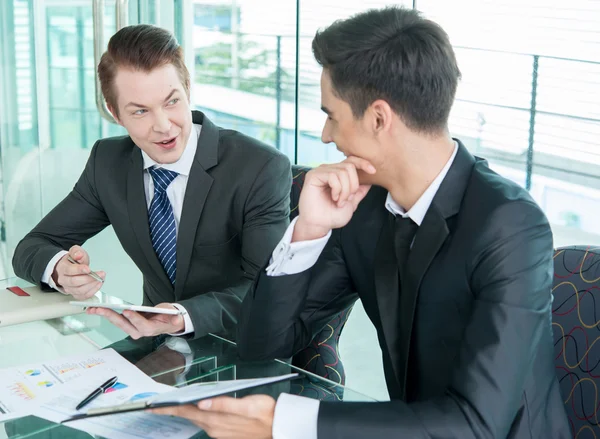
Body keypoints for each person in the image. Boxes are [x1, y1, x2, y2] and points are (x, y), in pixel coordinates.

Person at [150, 6, 571, 439]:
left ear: (378, 118)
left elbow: (477, 424)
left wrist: (288, 423)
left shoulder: (510, 224)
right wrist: (307, 232)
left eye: (331, 115)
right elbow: (262, 348)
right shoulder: (364, 209)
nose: (325, 136)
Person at [12, 24, 291, 340]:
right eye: (141, 111)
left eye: (172, 102)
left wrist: (183, 317)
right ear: (115, 114)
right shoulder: (108, 163)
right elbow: (30, 247)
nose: (163, 126)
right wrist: (60, 269)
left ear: (187, 89)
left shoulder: (258, 167)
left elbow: (267, 290)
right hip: (154, 348)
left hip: (244, 351)